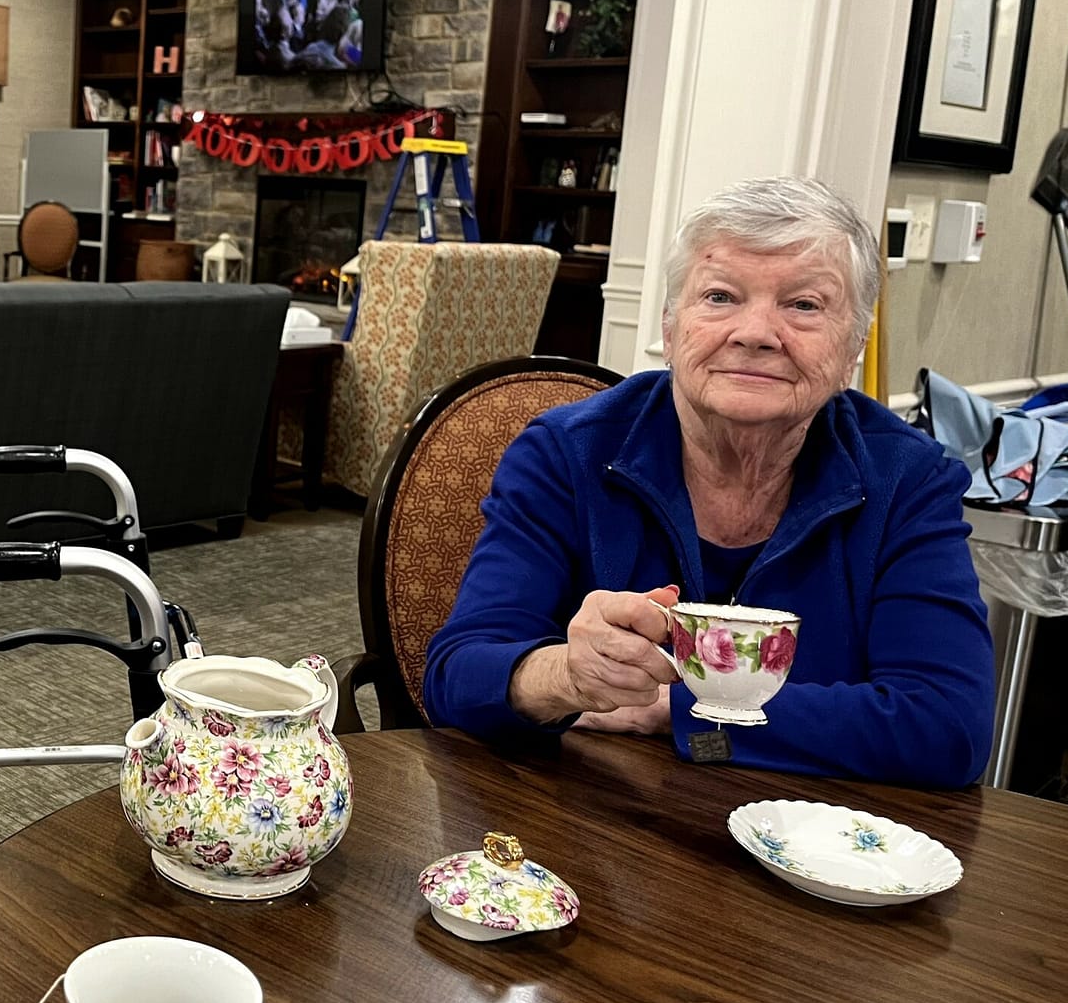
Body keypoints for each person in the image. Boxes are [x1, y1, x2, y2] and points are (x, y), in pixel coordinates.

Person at [424, 176, 995, 787]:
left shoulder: (909, 481)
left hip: (821, 851)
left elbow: (947, 728)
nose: (755, 332)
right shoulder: (567, 453)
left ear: (852, 347)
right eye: (721, 296)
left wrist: (677, 712)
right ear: (671, 329)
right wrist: (567, 675)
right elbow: (456, 677)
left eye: (803, 305)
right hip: (594, 830)